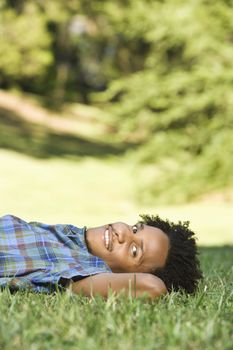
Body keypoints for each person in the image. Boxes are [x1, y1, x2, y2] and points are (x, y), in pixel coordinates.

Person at [0, 214, 202, 299]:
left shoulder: (79, 270)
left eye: (134, 251)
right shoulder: (70, 236)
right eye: (134, 229)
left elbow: (152, 287)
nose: (122, 232)